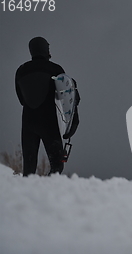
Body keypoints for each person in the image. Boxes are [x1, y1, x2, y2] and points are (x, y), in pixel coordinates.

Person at [15, 37, 74, 176]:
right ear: (46, 49)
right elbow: (65, 96)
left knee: (28, 169)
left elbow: (21, 99)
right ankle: (46, 192)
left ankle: (26, 193)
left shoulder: (21, 70)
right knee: (57, 167)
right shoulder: (55, 69)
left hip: (28, 121)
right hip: (49, 122)